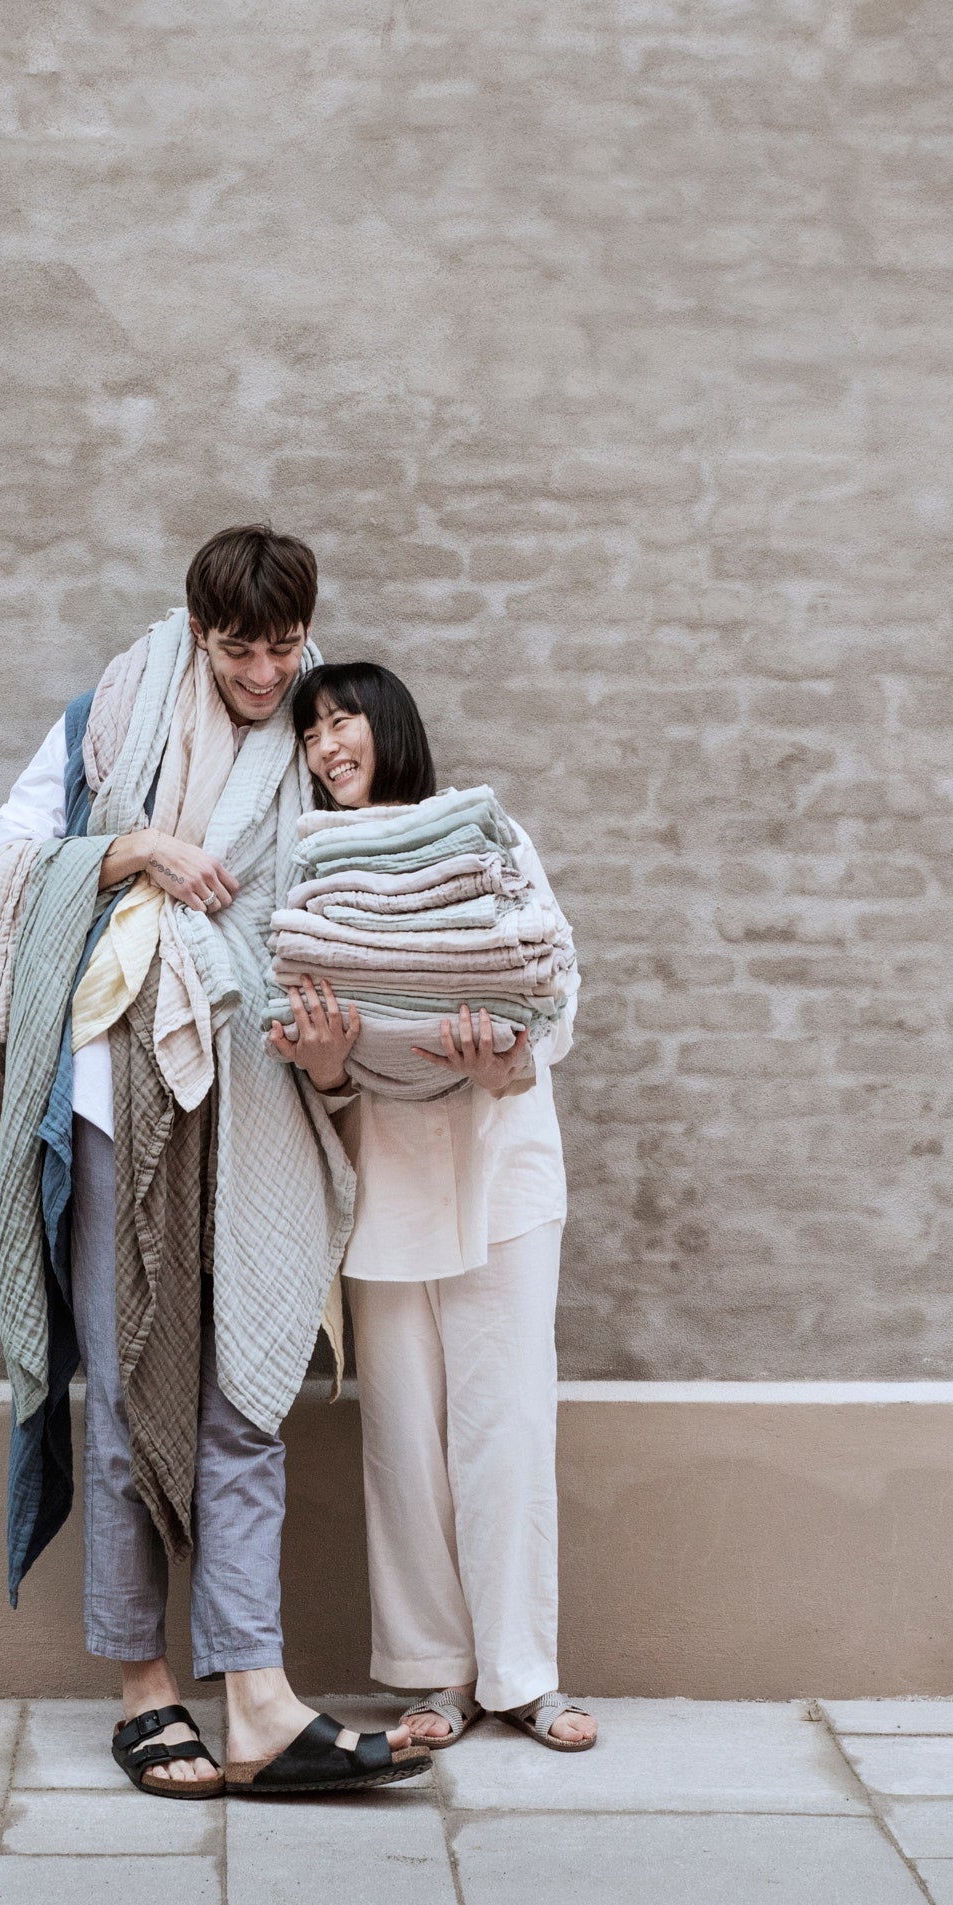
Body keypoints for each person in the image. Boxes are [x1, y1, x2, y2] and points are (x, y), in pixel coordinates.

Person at [0, 529, 425, 1799]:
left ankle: (254, 1693)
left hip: (261, 1088)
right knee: (126, 1367)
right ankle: (144, 1685)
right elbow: (6, 864)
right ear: (196, 630)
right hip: (114, 1082)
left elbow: (372, 894)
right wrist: (139, 850)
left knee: (243, 1389)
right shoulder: (114, 710)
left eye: (283, 645)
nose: (266, 674)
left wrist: (332, 1060)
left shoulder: (331, 724)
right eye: (239, 649)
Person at [268, 661, 597, 1754]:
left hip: (500, 1163)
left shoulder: (481, 838)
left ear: (390, 725)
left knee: (506, 1418)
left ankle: (524, 1672)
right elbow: (311, 1025)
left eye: (340, 719)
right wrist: (322, 1066)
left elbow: (550, 985)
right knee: (402, 1432)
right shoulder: (313, 867)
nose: (324, 745)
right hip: (385, 1177)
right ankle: (433, 1673)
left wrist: (503, 1063)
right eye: (309, 732)